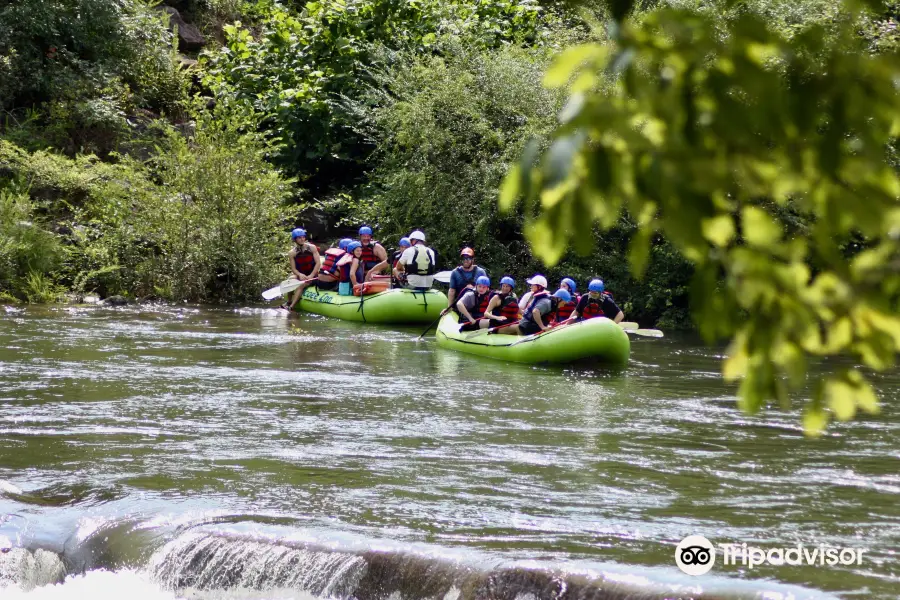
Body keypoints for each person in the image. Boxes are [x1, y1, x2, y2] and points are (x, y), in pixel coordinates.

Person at [282, 228, 321, 310]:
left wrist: (311, 275)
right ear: (295, 239)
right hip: (301, 275)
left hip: (313, 275)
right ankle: (289, 301)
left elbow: (318, 263)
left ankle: (291, 307)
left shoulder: (312, 248)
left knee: (301, 285)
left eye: (303, 237)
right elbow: (294, 269)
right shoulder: (292, 253)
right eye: (299, 238)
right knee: (289, 280)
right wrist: (299, 274)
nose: (302, 239)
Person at [443, 247, 487, 314]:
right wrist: (449, 307)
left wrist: (474, 288)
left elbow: (486, 290)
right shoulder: (455, 272)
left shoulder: (480, 272)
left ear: (473, 259)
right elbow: (452, 291)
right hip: (460, 305)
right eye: (463, 258)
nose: (465, 260)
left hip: (476, 306)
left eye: (468, 258)